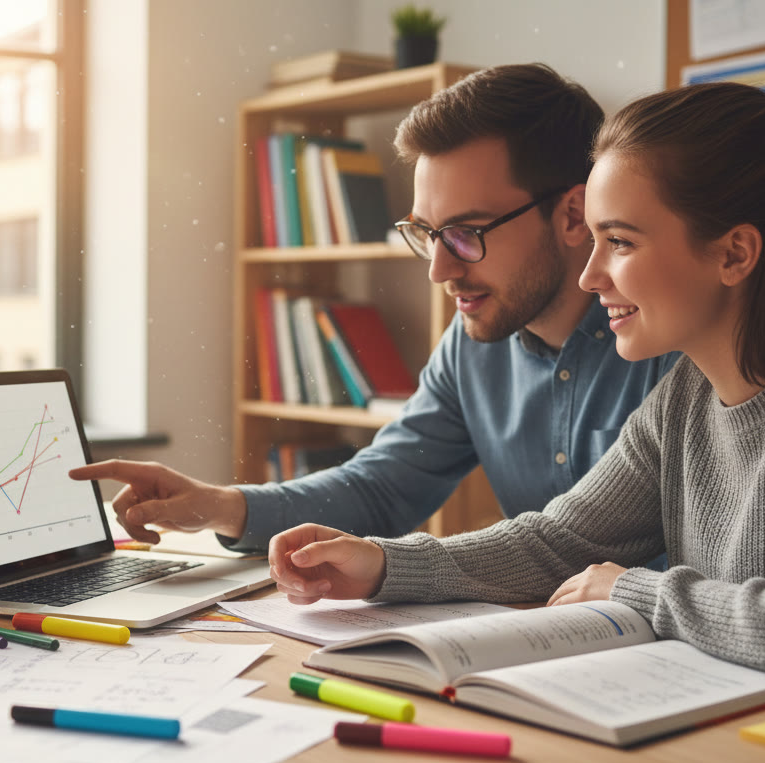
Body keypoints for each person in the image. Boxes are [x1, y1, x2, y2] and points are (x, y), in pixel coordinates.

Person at [267, 82, 765, 727]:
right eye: (592, 240)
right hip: (760, 730)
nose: (589, 276)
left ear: (735, 253)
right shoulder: (686, 395)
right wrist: (381, 565)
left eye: (618, 241)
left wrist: (637, 591)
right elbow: (557, 541)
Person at [71, 64, 677, 553]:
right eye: (426, 234)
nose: (439, 270)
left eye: (466, 233)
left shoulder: (673, 341)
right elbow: (383, 487)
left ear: (572, 216)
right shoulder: (472, 344)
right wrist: (221, 506)